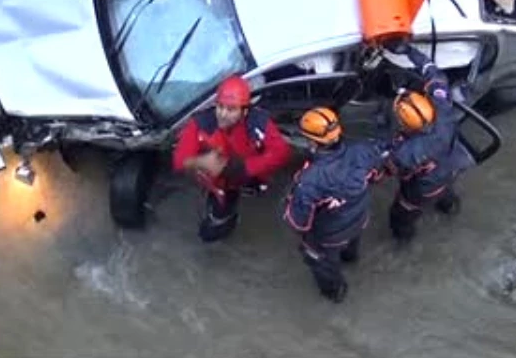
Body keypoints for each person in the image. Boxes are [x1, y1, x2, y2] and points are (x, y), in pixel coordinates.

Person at [283, 107, 389, 303]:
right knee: (349, 249)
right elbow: (378, 173)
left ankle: (335, 293)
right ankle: (351, 260)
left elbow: (298, 223)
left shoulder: (310, 181)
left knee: (324, 267)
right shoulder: (362, 151)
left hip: (328, 237)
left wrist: (290, 200)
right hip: (358, 220)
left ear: (313, 143)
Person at [172, 76, 294, 243]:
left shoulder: (258, 123)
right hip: (218, 183)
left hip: (247, 175)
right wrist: (200, 162)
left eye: (231, 109)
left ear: (244, 111)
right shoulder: (201, 123)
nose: (222, 114)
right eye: (220, 107)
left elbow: (281, 152)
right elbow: (179, 159)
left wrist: (246, 168)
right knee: (211, 230)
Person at [379, 40, 477, 244]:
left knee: (401, 216)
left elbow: (385, 168)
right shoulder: (443, 107)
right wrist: (408, 51)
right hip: (453, 165)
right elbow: (434, 74)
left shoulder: (406, 153)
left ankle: (403, 240)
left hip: (423, 188)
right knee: (446, 192)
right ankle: (450, 209)